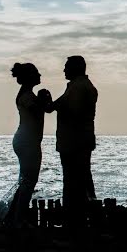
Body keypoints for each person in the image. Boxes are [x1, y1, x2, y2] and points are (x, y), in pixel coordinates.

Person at [46, 55, 97, 227]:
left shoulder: (78, 88)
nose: (64, 70)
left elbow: (73, 112)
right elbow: (53, 107)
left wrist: (56, 106)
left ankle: (75, 220)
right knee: (80, 179)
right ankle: (80, 218)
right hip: (77, 141)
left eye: (66, 66)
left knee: (74, 181)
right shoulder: (75, 87)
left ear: (76, 68)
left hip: (75, 142)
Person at [8, 62, 47, 228]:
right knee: (29, 181)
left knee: (25, 181)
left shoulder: (28, 95)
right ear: (30, 77)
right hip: (27, 142)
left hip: (25, 140)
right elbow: (38, 112)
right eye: (37, 73)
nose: (40, 76)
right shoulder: (27, 97)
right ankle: (18, 220)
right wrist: (44, 99)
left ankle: (14, 216)